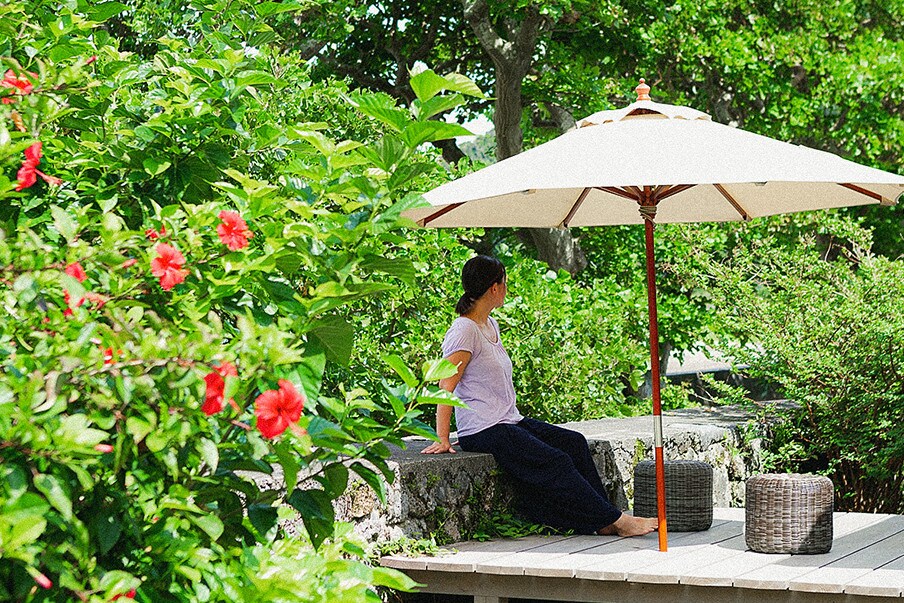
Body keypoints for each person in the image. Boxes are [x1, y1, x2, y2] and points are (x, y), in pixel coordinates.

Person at [422, 255, 657, 537]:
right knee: (555, 461)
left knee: (574, 442)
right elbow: (445, 386)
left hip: (508, 420)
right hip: (484, 428)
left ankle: (604, 519)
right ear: (494, 288)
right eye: (505, 283)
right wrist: (443, 439)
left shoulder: (490, 325)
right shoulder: (464, 330)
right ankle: (617, 522)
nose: (506, 289)